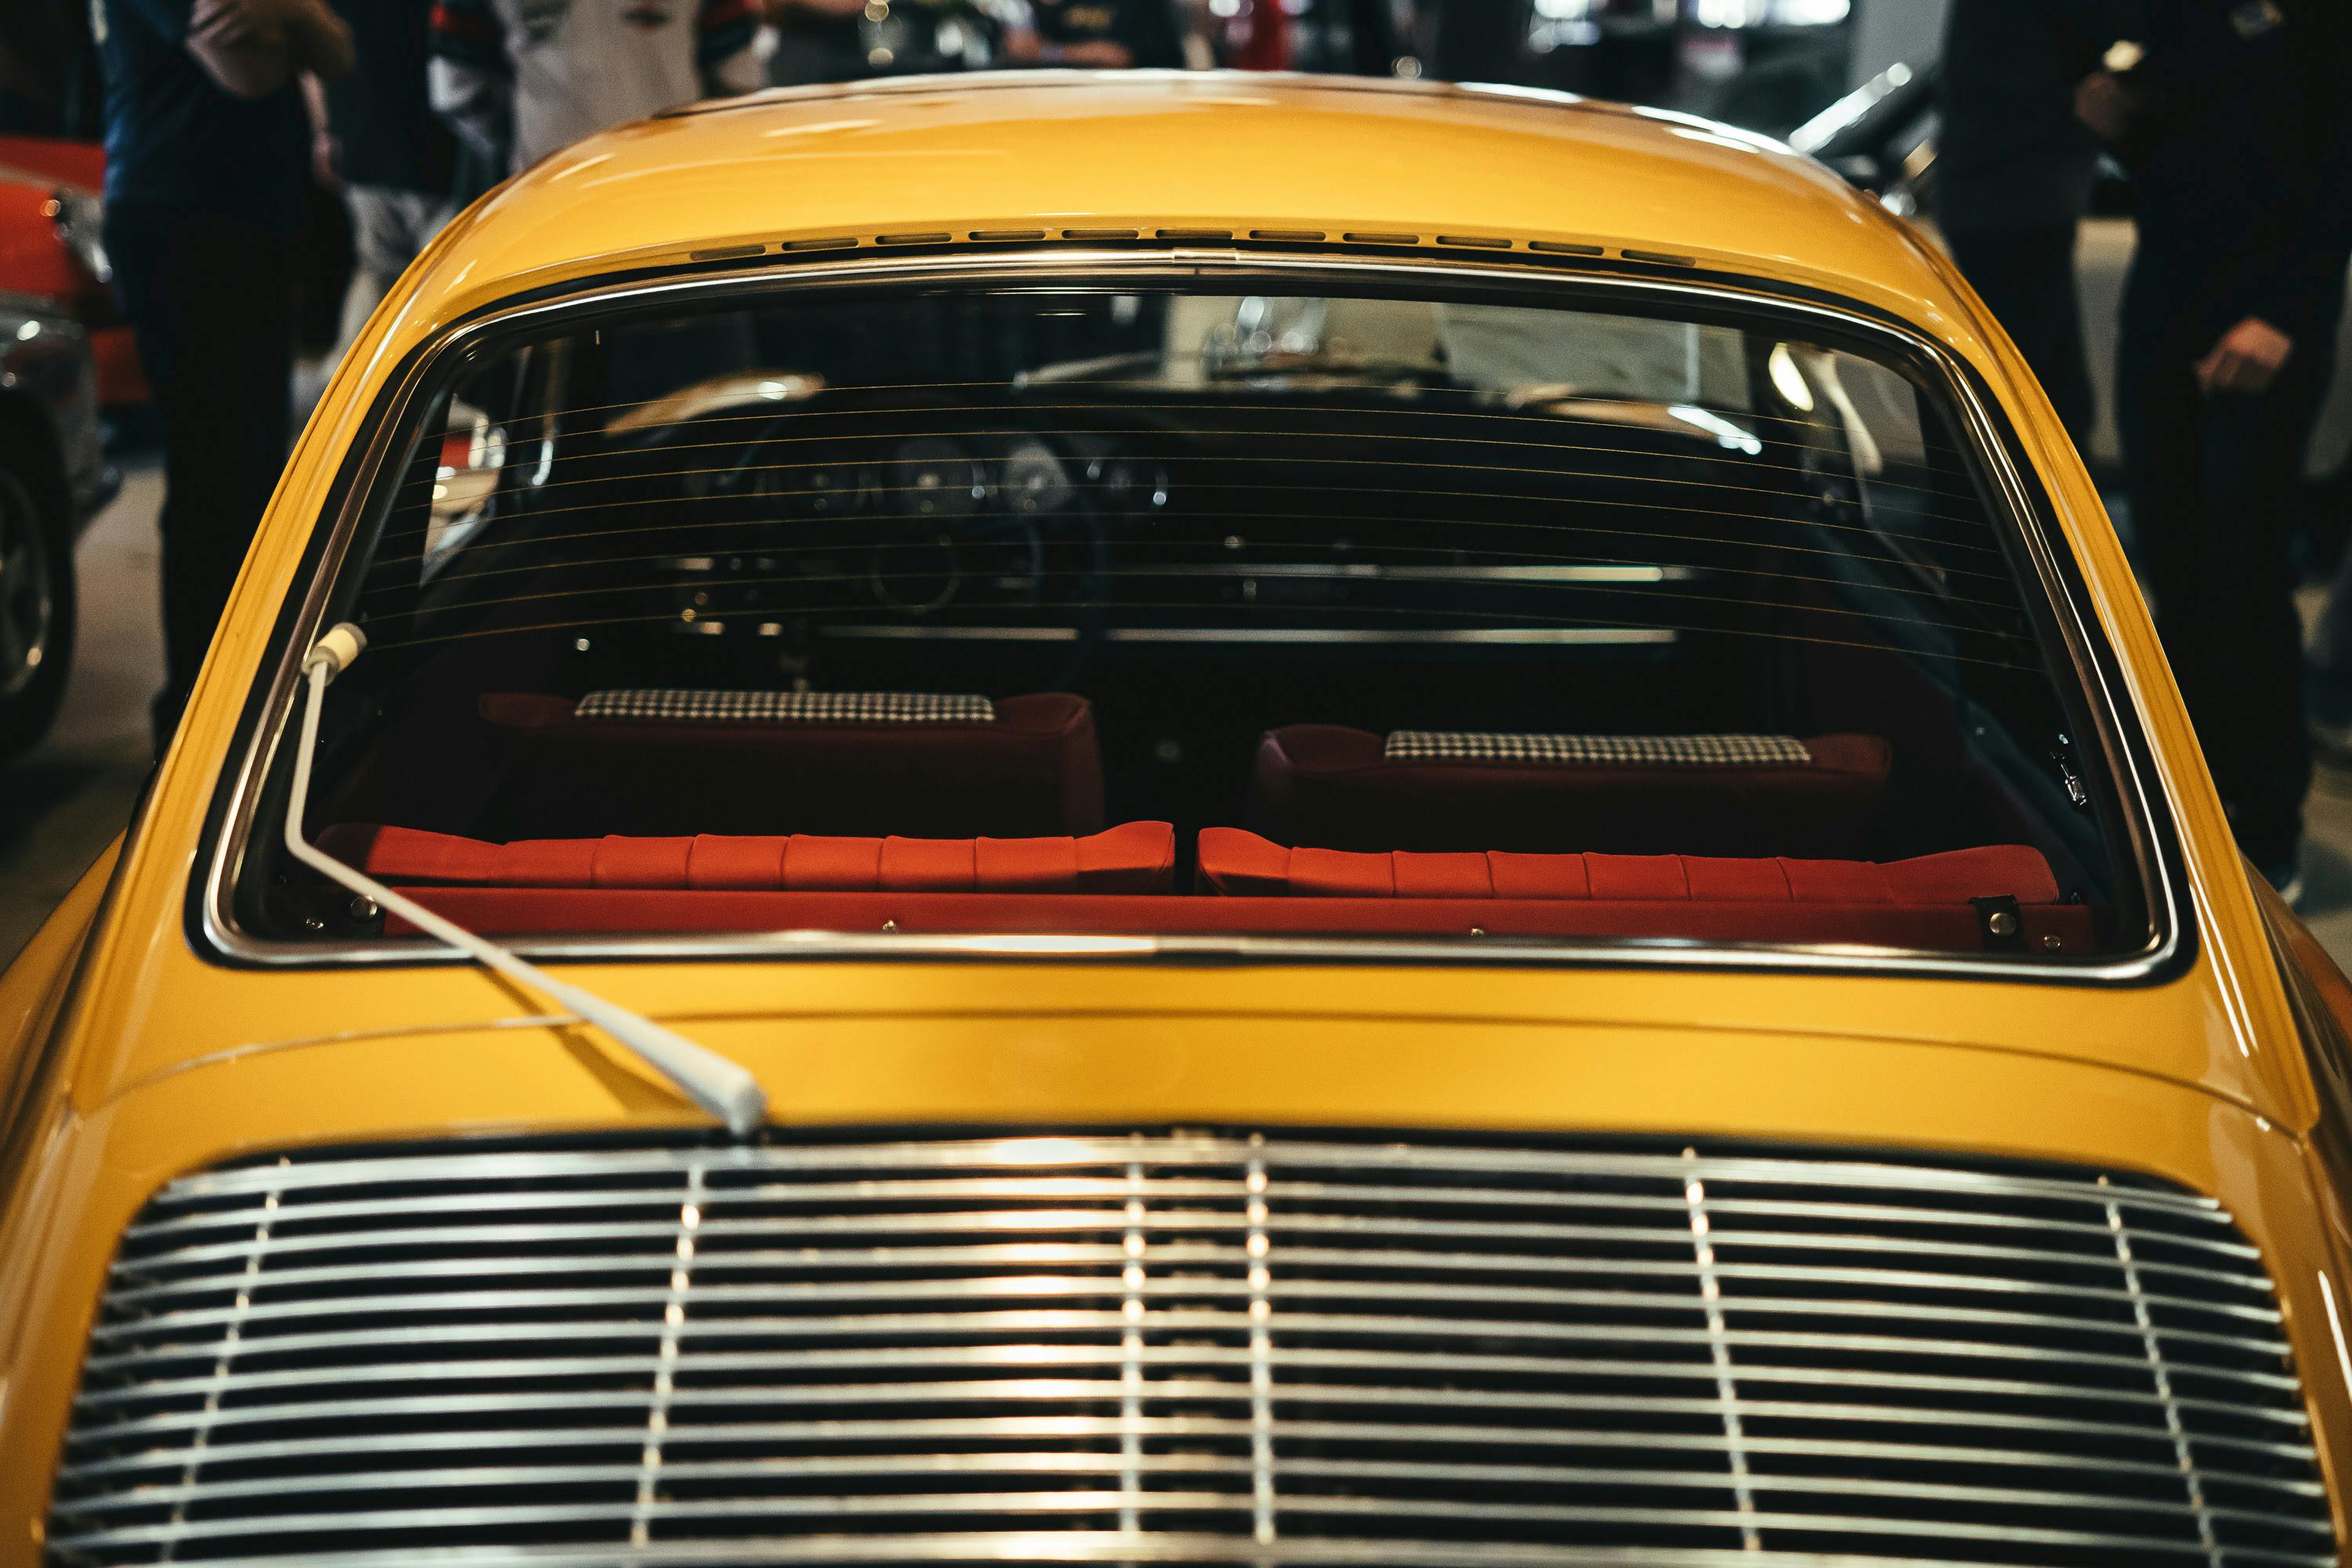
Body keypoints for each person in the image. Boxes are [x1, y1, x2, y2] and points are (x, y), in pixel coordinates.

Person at [2080, 0, 2352, 899]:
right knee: (2174, 570)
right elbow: (2174, 158)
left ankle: (2267, 830)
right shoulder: (2173, 12)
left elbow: (2335, 169)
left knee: (2244, 573)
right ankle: (2189, 823)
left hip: (2266, 318)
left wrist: (2284, 313)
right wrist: (2117, 128)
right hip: (2165, 304)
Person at [96, 0, 354, 747]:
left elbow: (338, 55)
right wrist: (297, 27)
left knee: (249, 472)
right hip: (183, 219)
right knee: (215, 475)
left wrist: (290, 14)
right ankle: (194, 717)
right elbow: (251, 72)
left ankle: (240, 696)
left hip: (249, 220)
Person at [1934, 0, 2137, 452]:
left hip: (2002, 194)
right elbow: (2129, 22)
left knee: (2046, 398)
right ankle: (2005, 517)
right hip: (2017, 197)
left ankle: (2020, 515)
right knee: (2026, 403)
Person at [429, 0, 763, 177]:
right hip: (672, 180)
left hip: (545, 188)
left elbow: (457, 91)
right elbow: (738, 84)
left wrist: (518, 148)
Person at [314, 0, 463, 346]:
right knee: (443, 281)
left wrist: (324, 130)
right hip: (435, 144)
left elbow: (311, 52)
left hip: (363, 137)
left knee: (380, 273)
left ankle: (350, 388)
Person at [1000, 0, 1183, 70]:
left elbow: (1120, 56)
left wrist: (1045, 53)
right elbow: (1028, 47)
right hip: (1067, 105)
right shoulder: (1059, 8)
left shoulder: (1142, 6)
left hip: (1138, 103)